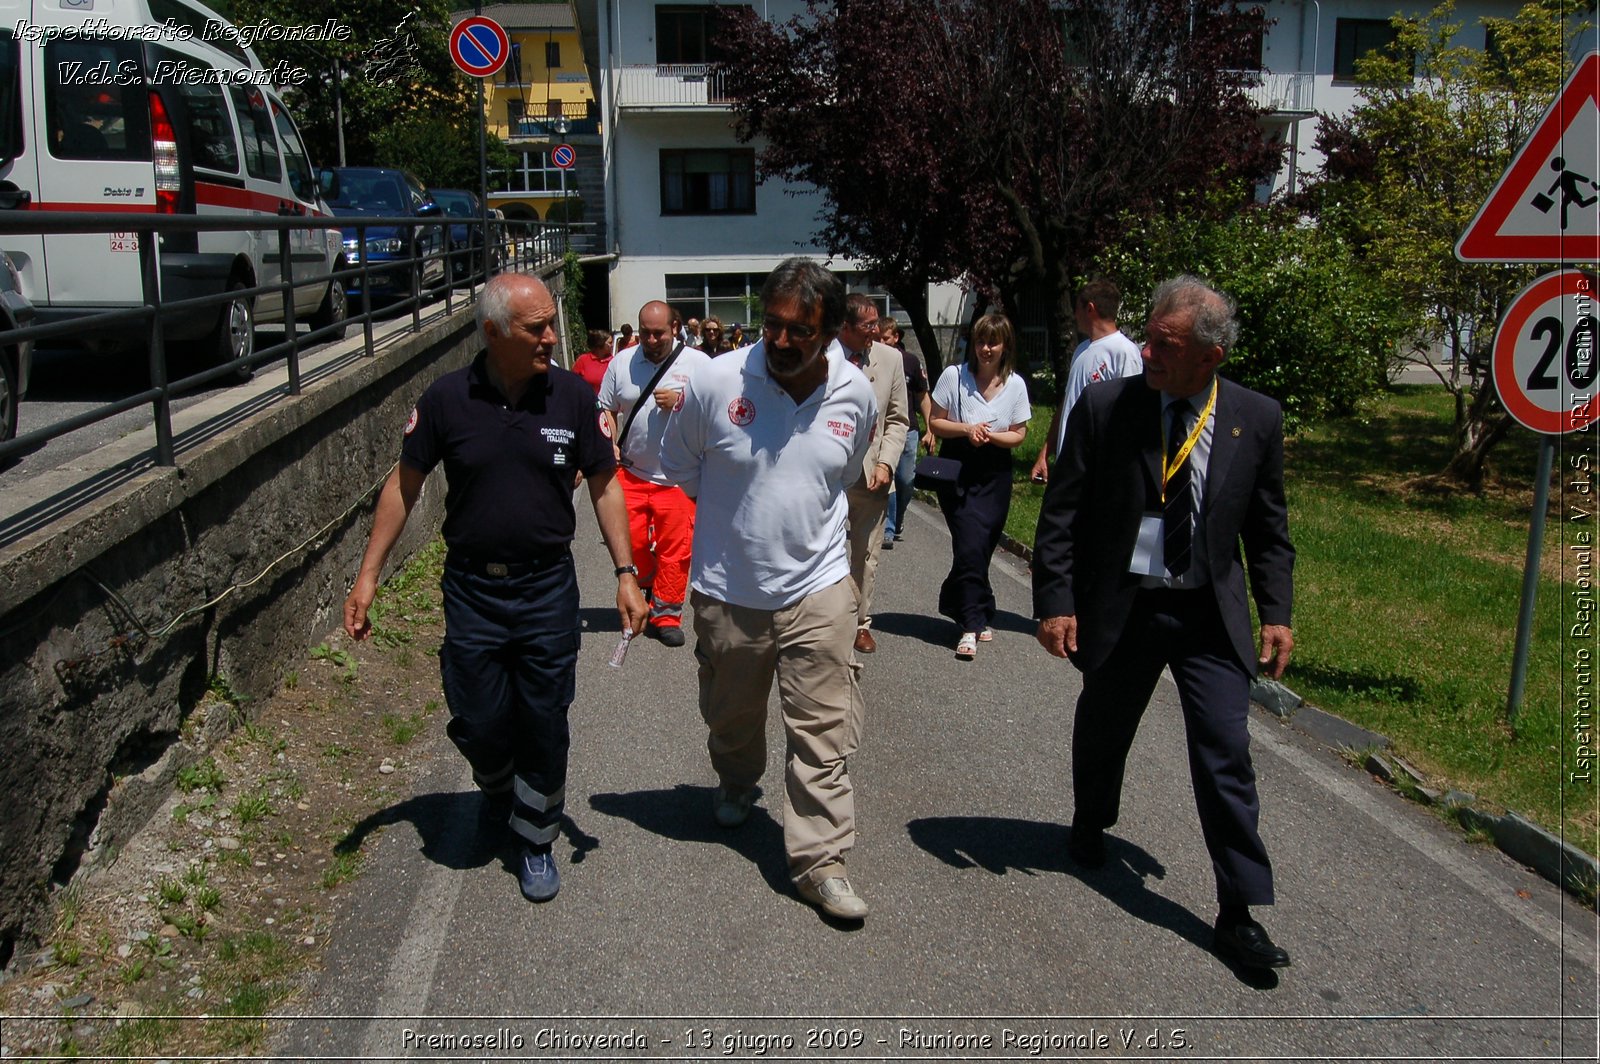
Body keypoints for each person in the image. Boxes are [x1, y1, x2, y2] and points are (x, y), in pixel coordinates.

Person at [342, 273, 648, 904]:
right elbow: (404, 486)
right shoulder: (448, 399)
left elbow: (604, 484)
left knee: (543, 716)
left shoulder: (571, 397)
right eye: (536, 327)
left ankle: (535, 838)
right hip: (473, 590)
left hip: (545, 589)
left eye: (552, 324)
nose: (550, 337)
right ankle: (498, 785)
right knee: (479, 716)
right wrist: (368, 576)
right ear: (492, 332)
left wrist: (625, 574)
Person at [1032, 275, 1295, 971]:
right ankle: (1092, 818)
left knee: (1225, 754)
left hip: (1208, 610)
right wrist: (1056, 601)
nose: (1146, 351)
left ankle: (1239, 911)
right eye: (1147, 335)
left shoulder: (1254, 418)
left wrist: (1278, 612)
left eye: (1165, 344)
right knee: (1105, 728)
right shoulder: (1106, 405)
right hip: (1128, 604)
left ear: (1210, 356)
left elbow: (1269, 529)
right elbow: (1061, 513)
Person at [659, 258, 878, 922]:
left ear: (832, 331)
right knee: (732, 717)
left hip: (819, 589)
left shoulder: (856, 394)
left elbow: (837, 482)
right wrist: (737, 527)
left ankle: (821, 861)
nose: (780, 342)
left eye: (799, 332)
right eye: (772, 325)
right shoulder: (717, 380)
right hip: (729, 592)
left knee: (823, 730)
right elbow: (680, 466)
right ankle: (735, 777)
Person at [597, 300, 711, 646]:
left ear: (674, 329)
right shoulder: (622, 363)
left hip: (679, 476)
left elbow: (716, 410)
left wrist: (682, 400)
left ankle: (666, 614)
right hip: (631, 472)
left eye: (658, 333)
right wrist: (609, 444)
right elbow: (604, 409)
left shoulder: (700, 365)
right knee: (631, 543)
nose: (651, 339)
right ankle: (644, 591)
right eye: (645, 332)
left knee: (676, 549)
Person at [927, 311, 1031, 660]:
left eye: (993, 342)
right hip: (958, 470)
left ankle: (980, 604)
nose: (986, 348)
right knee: (969, 545)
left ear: (1005, 346)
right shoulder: (954, 376)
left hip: (995, 473)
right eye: (980, 341)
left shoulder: (1015, 384)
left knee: (982, 547)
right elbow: (936, 422)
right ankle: (970, 624)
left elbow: (1019, 433)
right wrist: (967, 429)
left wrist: (993, 436)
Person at [836, 294, 909, 655]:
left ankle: (860, 623)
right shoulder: (822, 356)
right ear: (844, 327)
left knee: (865, 554)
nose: (876, 331)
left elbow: (897, 419)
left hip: (871, 475)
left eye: (878, 323)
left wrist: (886, 462)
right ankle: (825, 619)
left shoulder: (890, 359)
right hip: (825, 475)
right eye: (867, 326)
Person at [1031, 279, 1143, 484]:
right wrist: (1045, 452)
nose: (1074, 316)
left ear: (1090, 308)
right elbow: (1067, 402)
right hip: (1069, 463)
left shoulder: (1123, 352)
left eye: (1077, 309)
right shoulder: (1082, 349)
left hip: (1098, 469)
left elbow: (1130, 414)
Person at [879, 318, 933, 549]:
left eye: (885, 338)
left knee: (905, 480)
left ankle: (898, 519)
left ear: (896, 337)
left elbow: (923, 397)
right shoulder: (873, 360)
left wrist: (931, 429)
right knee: (888, 479)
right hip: (883, 430)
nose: (881, 342)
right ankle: (889, 528)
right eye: (878, 338)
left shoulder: (910, 362)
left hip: (908, 429)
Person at [572, 328, 615, 395]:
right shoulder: (583, 360)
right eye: (610, 343)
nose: (612, 345)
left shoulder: (614, 361)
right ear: (600, 344)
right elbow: (572, 381)